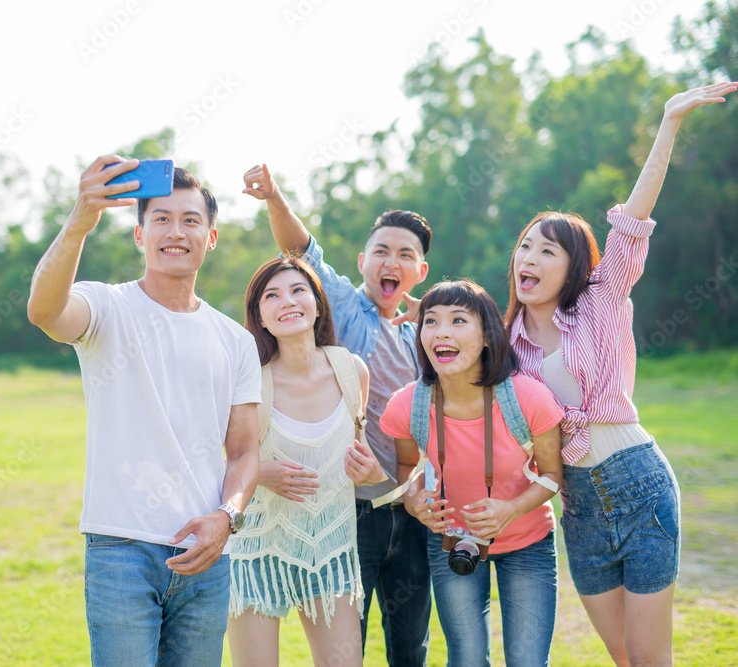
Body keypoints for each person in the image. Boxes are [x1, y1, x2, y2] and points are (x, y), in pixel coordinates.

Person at [503, 81, 738, 666]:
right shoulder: (506, 343)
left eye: (547, 251)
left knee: (651, 659)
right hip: (578, 509)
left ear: (574, 265)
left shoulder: (601, 300)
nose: (529, 258)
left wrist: (668, 123)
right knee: (625, 659)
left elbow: (636, 217)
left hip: (641, 487)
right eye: (525, 247)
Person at [27, 156, 261, 666]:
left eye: (191, 220)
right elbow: (44, 311)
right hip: (121, 552)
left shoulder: (236, 342)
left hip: (206, 557)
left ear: (212, 237)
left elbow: (244, 452)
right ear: (139, 235)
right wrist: (79, 221)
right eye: (162, 219)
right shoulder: (106, 307)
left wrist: (228, 518)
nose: (176, 232)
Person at [243, 164, 433, 665]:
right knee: (348, 643)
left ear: (420, 272)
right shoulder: (345, 307)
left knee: (411, 644)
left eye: (405, 255)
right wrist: (275, 197)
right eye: (381, 252)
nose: (391, 262)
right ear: (363, 261)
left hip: (410, 503)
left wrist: (433, 311)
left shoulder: (427, 334)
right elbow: (300, 253)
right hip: (352, 508)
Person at [380, 280, 564, 667]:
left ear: (486, 336)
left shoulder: (528, 398)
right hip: (451, 542)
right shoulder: (406, 405)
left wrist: (510, 508)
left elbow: (552, 475)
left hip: (527, 541)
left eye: (459, 320)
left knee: (528, 661)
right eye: (430, 321)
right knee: (466, 660)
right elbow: (405, 467)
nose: (442, 331)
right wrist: (413, 501)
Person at [227, 256, 385, 667]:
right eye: (272, 295)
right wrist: (260, 472)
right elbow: (211, 459)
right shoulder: (249, 379)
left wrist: (370, 472)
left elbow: (360, 457)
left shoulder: (352, 371)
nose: (287, 301)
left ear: (318, 303)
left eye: (298, 290)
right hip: (257, 548)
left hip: (331, 545)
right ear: (259, 316)